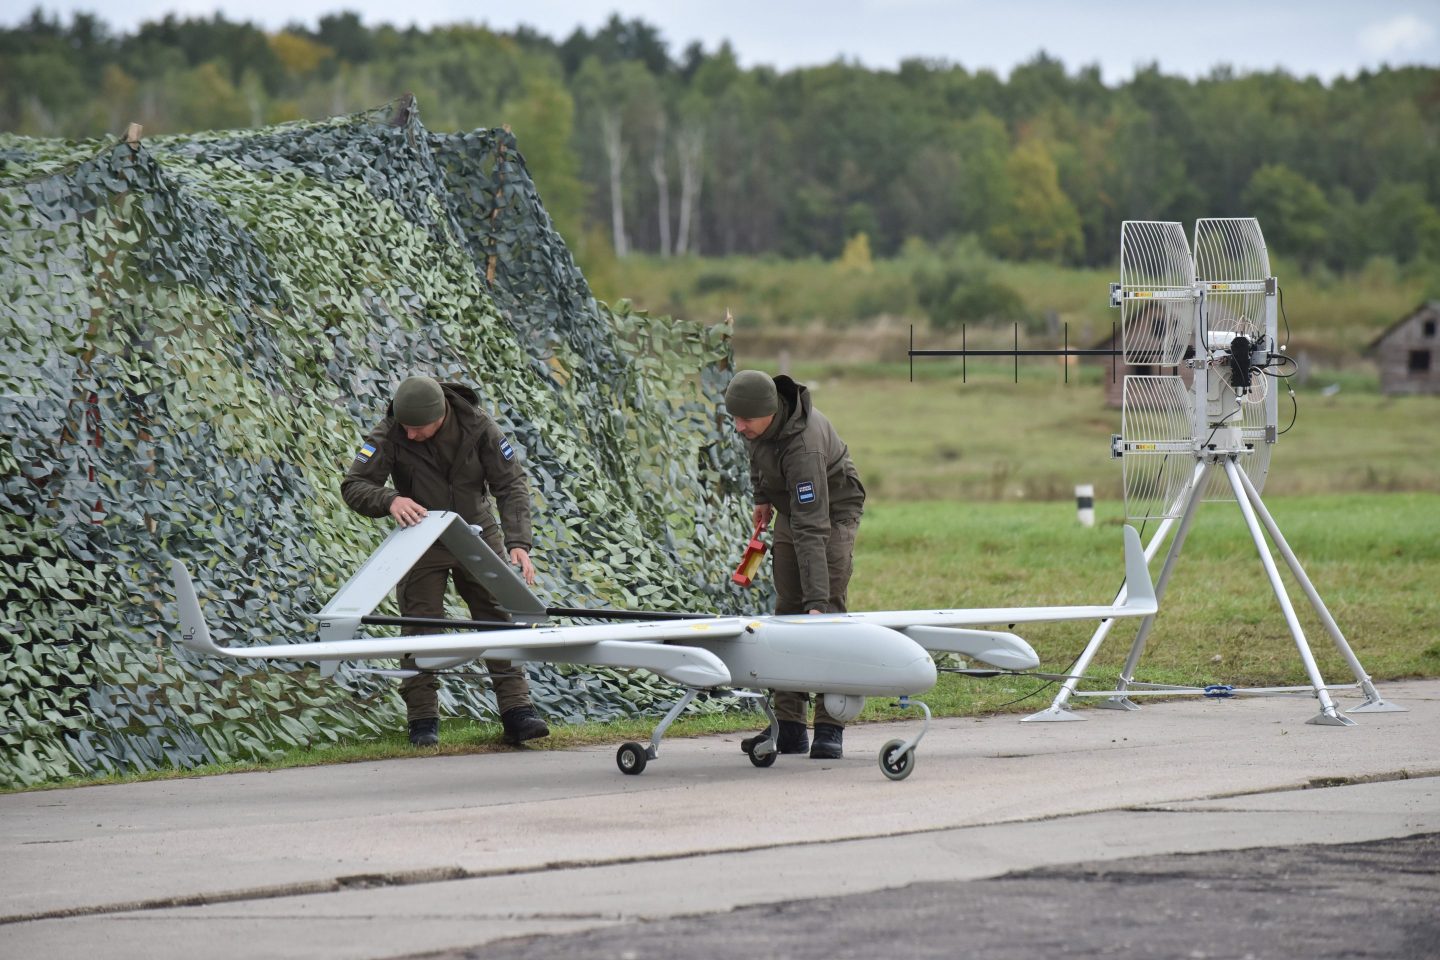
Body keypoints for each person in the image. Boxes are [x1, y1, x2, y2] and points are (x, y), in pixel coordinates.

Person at [341, 375, 550, 748]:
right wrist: (390, 500)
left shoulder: (479, 425)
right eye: (405, 428)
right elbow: (355, 485)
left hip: (477, 533)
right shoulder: (390, 432)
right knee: (419, 624)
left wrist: (519, 543)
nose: (410, 435)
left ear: (440, 416)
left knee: (497, 616)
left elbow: (510, 483)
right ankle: (423, 721)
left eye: (418, 429)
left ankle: (517, 711)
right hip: (420, 535)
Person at [725, 369, 866, 760]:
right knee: (786, 613)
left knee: (826, 617)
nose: (739, 427)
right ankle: (788, 726)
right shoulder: (758, 425)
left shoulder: (804, 448)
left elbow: (812, 529)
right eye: (734, 418)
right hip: (793, 508)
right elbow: (760, 455)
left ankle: (829, 726)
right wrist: (762, 496)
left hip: (831, 513)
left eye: (745, 420)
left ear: (769, 412)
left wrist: (817, 600)